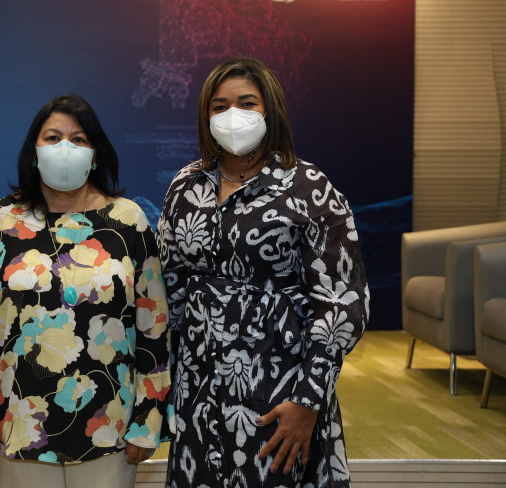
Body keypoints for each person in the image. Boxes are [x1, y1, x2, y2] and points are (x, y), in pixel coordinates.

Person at [157, 57, 369, 487]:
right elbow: (169, 291)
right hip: (199, 388)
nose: (232, 114)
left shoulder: (309, 187)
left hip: (280, 389)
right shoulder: (185, 185)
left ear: (270, 110)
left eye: (246, 103)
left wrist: (308, 402)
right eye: (219, 106)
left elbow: (343, 304)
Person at [0, 94, 172, 488]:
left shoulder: (130, 221)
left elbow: (153, 327)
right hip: (17, 427)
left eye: (78, 139)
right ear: (33, 151)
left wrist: (148, 419)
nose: (65, 148)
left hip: (110, 429)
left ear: (96, 154)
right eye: (53, 137)